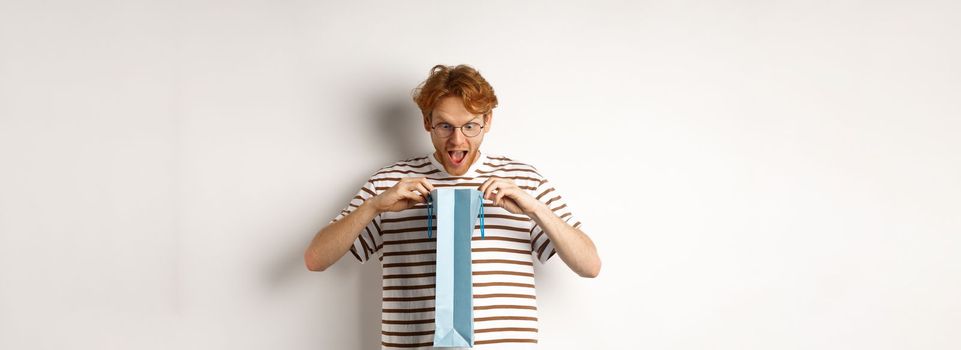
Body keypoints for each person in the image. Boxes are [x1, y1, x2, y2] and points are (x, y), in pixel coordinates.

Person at [304, 64, 601, 349]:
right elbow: (316, 259)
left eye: (470, 126)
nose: (457, 140)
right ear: (426, 122)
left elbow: (589, 265)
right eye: (445, 125)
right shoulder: (390, 183)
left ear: (487, 122)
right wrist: (373, 207)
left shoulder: (523, 181)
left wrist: (536, 209)